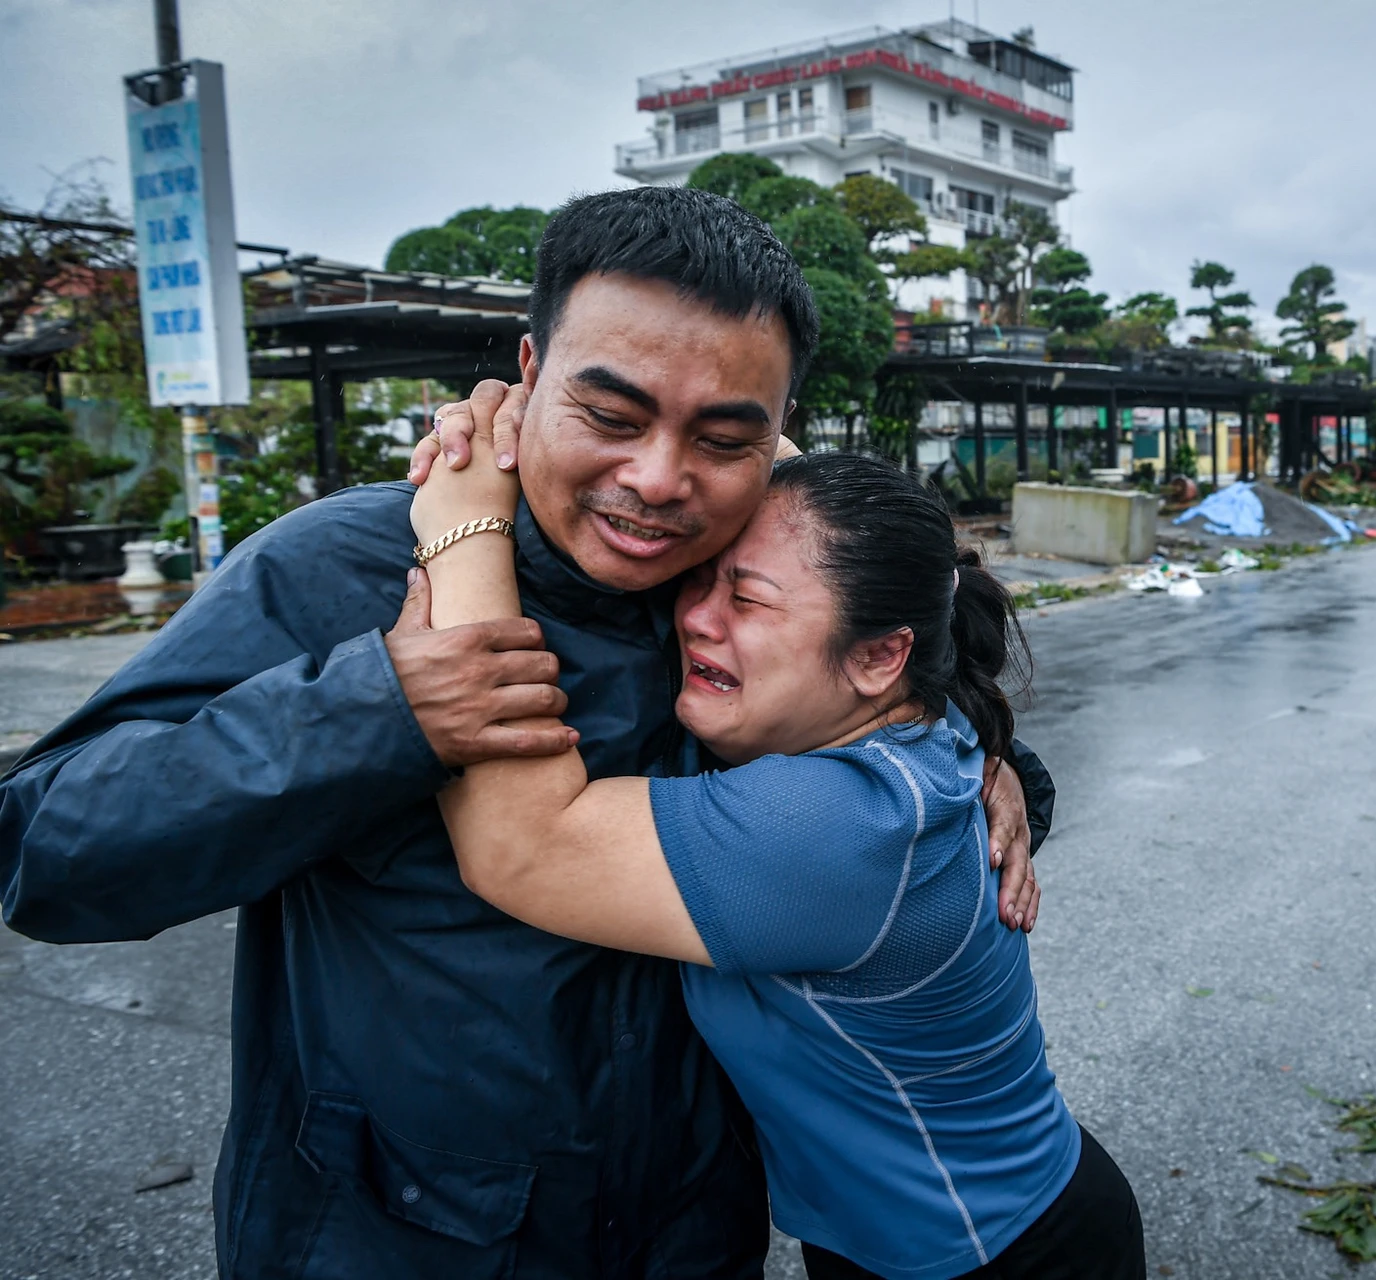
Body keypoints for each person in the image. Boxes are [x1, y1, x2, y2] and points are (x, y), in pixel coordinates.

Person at [0, 185, 1048, 1278]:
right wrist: (372, 705)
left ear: (773, 433)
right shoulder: (342, 568)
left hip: (689, 1235)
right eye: (609, 415)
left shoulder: (728, 573)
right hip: (394, 1237)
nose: (656, 480)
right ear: (526, 377)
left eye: (723, 436)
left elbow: (887, 705)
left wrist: (991, 762)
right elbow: (46, 849)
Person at [406, 423, 1144, 1279]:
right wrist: (540, 409)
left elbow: (520, 848)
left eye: (745, 599)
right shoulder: (911, 725)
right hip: (919, 1235)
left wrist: (463, 520)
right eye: (698, 582)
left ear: (878, 655)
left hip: (1001, 1255)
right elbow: (773, 455)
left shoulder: (841, 828)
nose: (695, 619)